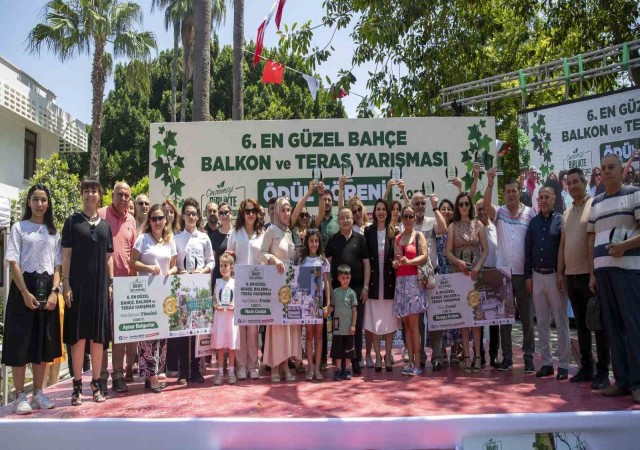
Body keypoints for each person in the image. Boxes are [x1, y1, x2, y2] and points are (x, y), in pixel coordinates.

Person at [3, 184, 62, 414]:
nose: (40, 204)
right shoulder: (19, 228)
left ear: (48, 204)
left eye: (43, 200)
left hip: (47, 291)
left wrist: (55, 292)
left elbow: (58, 265)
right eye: (35, 199)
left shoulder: (53, 232)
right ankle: (20, 396)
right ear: (29, 202)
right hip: (23, 291)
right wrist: (24, 293)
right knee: (20, 343)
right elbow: (13, 261)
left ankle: (38, 392)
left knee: (43, 343)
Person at [587, 154, 640, 404]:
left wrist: (625, 246)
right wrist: (592, 273)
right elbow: (591, 239)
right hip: (603, 273)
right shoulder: (596, 202)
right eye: (603, 169)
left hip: (628, 271)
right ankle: (621, 381)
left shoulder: (634, 194)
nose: (606, 172)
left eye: (611, 168)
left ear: (622, 170)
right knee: (612, 328)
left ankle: (638, 383)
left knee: (633, 327)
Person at [62, 179, 114, 405]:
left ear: (99, 195)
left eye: (94, 190)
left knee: (98, 338)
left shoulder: (105, 226)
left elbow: (108, 257)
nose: (90, 194)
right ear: (82, 194)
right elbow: (66, 256)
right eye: (87, 190)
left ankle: (96, 383)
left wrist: (110, 283)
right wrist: (65, 283)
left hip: (100, 288)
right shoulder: (72, 222)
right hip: (77, 288)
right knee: (78, 337)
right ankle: (76, 385)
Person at [557, 168, 610, 388]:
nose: (572, 186)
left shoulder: (595, 205)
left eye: (576, 182)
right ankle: (586, 368)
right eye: (569, 183)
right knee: (581, 326)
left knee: (598, 326)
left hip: (591, 277)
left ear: (584, 183)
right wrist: (560, 272)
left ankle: (603, 372)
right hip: (571, 277)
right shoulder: (567, 211)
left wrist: (593, 274)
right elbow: (562, 245)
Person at [484, 168, 537, 373]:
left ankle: (529, 356)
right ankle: (506, 358)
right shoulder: (499, 213)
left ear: (519, 190)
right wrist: (489, 183)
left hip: (524, 275)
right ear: (504, 194)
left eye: (514, 190)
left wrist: (531, 273)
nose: (512, 194)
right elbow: (486, 205)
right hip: (502, 273)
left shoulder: (530, 213)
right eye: (508, 191)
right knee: (504, 320)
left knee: (526, 318)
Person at [130, 204, 178, 393]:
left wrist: (169, 272)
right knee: (148, 336)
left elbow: (174, 266)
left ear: (166, 220)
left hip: (165, 293)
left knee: (162, 336)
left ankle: (156, 373)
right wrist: (150, 269)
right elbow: (132, 262)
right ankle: (151, 377)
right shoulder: (142, 239)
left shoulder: (169, 241)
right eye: (154, 218)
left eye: (160, 218)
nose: (158, 222)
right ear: (149, 221)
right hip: (146, 294)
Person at [524, 186, 570, 380]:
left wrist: (562, 274)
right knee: (541, 322)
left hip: (555, 277)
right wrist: (528, 276)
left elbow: (565, 249)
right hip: (537, 277)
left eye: (546, 197)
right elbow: (528, 251)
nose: (543, 200)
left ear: (553, 199)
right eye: (540, 197)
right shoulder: (533, 224)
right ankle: (546, 363)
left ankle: (565, 365)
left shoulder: (561, 221)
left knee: (560, 322)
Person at [98, 182, 137, 394]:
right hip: (103, 284)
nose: (123, 198)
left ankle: (118, 374)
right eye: (119, 194)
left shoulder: (131, 220)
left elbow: (133, 253)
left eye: (126, 195)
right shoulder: (101, 214)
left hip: (126, 286)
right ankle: (102, 375)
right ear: (112, 195)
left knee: (121, 334)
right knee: (104, 333)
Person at [260, 197, 302, 382]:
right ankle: (275, 367)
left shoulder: (289, 233)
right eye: (283, 210)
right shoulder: (271, 230)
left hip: (290, 284)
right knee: (276, 327)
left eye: (288, 210)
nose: (286, 213)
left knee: (287, 326)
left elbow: (293, 257)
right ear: (276, 211)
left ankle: (285, 365)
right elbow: (261, 253)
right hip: (275, 282)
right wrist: (274, 260)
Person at [445, 192, 488, 373]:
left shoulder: (478, 225)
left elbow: (485, 250)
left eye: (466, 204)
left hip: (474, 277)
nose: (463, 207)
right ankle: (467, 357)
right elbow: (448, 252)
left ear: (470, 206)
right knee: (464, 318)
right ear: (458, 207)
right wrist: (459, 263)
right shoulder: (453, 227)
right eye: (460, 204)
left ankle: (478, 357)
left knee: (476, 319)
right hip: (459, 276)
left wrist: (477, 266)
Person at [325, 207, 370, 374]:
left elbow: (366, 264)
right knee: (339, 329)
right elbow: (326, 268)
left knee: (355, 328)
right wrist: (329, 290)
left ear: (353, 219)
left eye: (348, 217)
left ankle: (355, 360)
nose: (345, 221)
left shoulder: (361, 239)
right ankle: (340, 362)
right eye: (342, 218)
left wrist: (365, 287)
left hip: (357, 290)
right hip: (337, 292)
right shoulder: (333, 240)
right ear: (338, 220)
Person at [173, 198, 214, 384]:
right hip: (181, 288)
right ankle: (183, 371)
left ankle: (196, 369)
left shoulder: (204, 238)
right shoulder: (176, 238)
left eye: (194, 214)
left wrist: (203, 271)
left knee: (198, 330)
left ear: (198, 217)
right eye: (188, 213)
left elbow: (211, 261)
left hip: (200, 288)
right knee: (182, 330)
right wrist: (180, 271)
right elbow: (173, 263)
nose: (191, 216)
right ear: (183, 216)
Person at [227, 197, 265, 380]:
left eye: (253, 211)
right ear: (242, 214)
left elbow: (265, 260)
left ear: (258, 214)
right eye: (247, 211)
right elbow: (228, 259)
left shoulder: (263, 233)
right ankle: (241, 366)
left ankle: (253, 365)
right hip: (238, 286)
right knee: (241, 328)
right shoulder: (235, 233)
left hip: (257, 287)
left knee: (254, 329)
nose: (250, 214)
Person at [411, 191, 446, 370]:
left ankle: (438, 357)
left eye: (422, 204)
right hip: (414, 279)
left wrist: (435, 207)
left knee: (435, 319)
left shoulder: (432, 221)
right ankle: (421, 357)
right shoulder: (408, 225)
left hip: (433, 275)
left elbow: (443, 229)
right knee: (418, 322)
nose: (420, 207)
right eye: (416, 204)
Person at [393, 205, 429, 376]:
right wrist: (396, 263)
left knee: (414, 326)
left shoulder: (418, 235)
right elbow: (395, 259)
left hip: (414, 282)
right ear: (401, 218)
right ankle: (410, 363)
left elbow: (425, 256)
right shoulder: (398, 238)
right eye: (405, 216)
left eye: (410, 216)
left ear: (414, 218)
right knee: (407, 326)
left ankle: (417, 363)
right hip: (401, 283)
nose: (408, 219)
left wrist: (409, 261)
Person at [364, 199, 399, 372]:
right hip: (373, 281)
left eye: (383, 209)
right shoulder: (368, 231)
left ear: (388, 212)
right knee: (375, 322)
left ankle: (388, 354)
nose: (380, 212)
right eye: (378, 209)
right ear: (374, 212)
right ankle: (378, 356)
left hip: (389, 282)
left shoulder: (394, 230)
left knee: (389, 322)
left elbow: (396, 254)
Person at [298, 229, 331, 380]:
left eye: (316, 241)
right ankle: (309, 368)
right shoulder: (302, 261)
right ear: (307, 242)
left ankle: (317, 368)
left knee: (319, 335)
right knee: (309, 335)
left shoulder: (323, 261)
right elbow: (300, 284)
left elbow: (327, 283)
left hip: (319, 301)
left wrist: (328, 304)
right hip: (306, 301)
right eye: (311, 241)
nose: (314, 244)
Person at [315, 182, 340, 369]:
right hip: (317, 273)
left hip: (336, 273)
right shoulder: (316, 221)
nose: (327, 202)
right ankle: (321, 357)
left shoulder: (337, 221)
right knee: (321, 315)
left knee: (337, 316)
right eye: (324, 199)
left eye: (330, 200)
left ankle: (337, 355)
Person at [476, 197, 500, 368]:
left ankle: (494, 355)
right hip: (477, 276)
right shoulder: (473, 229)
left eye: (484, 208)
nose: (481, 212)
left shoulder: (497, 227)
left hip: (495, 274)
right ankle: (480, 355)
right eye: (478, 209)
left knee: (495, 320)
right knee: (478, 319)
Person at [211, 252, 240, 385]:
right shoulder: (217, 282)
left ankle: (232, 371)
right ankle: (221, 372)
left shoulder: (235, 283)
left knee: (231, 345)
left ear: (232, 267)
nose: (223, 268)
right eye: (221, 265)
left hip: (231, 318)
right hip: (220, 317)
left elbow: (238, 300)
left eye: (226, 266)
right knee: (221, 346)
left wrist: (234, 305)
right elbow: (214, 298)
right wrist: (215, 305)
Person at [330, 264, 358, 381]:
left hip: (348, 329)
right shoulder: (335, 292)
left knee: (348, 350)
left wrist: (353, 325)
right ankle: (338, 369)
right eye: (343, 278)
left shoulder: (352, 293)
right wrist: (323, 312)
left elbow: (354, 310)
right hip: (338, 328)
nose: (345, 280)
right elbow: (331, 308)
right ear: (339, 279)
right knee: (337, 350)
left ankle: (347, 369)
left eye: (347, 278)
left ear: (350, 278)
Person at [210, 202, 232, 282]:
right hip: (218, 278)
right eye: (221, 213)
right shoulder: (214, 236)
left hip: (235, 278)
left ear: (231, 214)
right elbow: (212, 261)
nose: (223, 216)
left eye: (226, 212)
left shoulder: (237, 233)